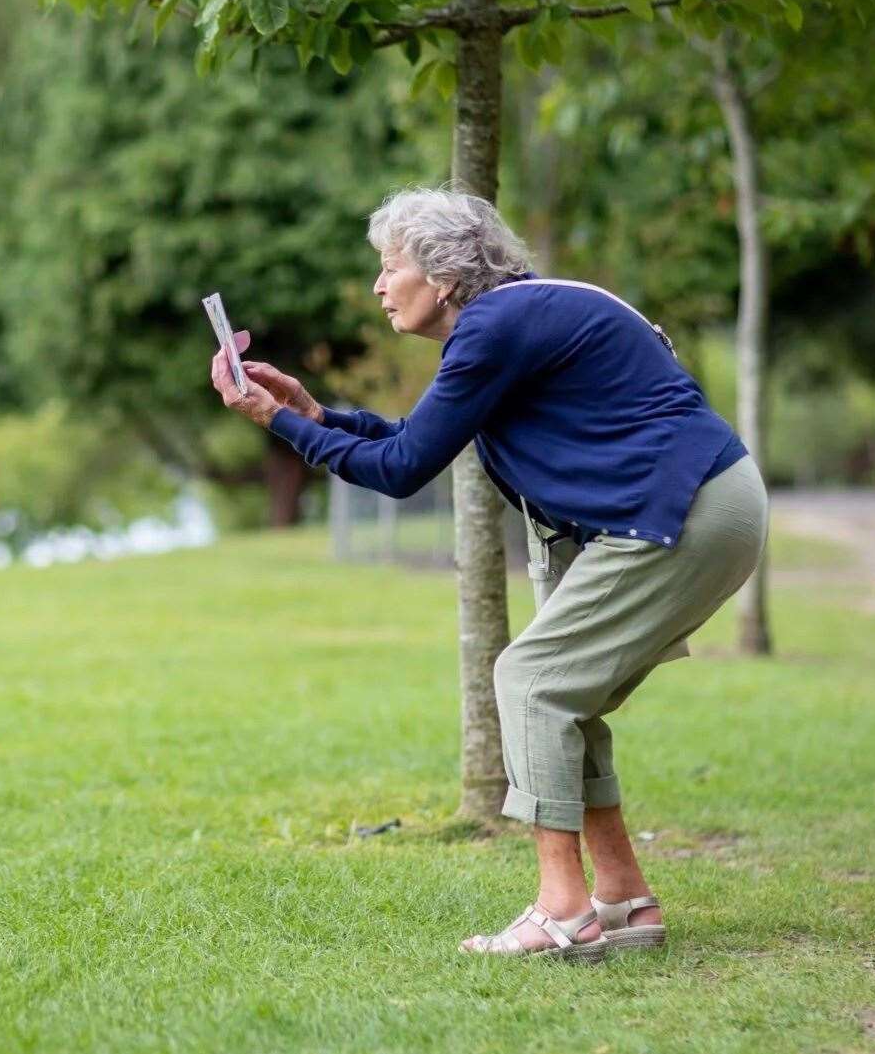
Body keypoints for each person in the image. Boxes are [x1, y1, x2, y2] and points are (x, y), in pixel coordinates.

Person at [209, 186, 767, 961]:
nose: (378, 286)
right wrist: (312, 411)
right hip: (705, 499)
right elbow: (411, 439)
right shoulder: (508, 322)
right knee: (567, 696)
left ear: (440, 275)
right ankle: (624, 900)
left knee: (531, 680)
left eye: (389, 266)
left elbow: (402, 469)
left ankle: (561, 912)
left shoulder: (495, 327)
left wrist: (282, 426)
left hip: (684, 508)